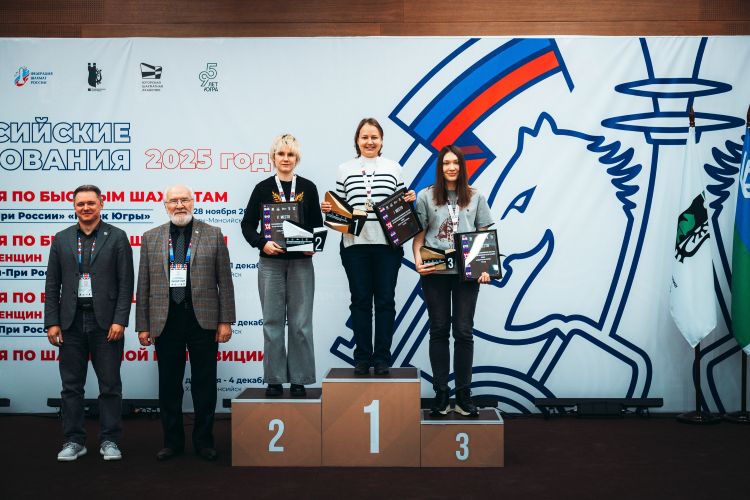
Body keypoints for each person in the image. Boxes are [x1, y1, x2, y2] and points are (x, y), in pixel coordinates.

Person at [136, 184, 235, 461]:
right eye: (173, 201)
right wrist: (143, 324)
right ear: (165, 205)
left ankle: (204, 442)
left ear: (193, 201)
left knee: (205, 384)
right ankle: (172, 442)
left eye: (184, 200)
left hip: (203, 320)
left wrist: (225, 320)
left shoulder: (213, 234)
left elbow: (225, 281)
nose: (179, 205)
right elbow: (143, 284)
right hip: (165, 320)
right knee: (169, 385)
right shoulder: (151, 237)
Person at [44, 184, 134, 461]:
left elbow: (125, 283)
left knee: (110, 385)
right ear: (74, 207)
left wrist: (120, 320)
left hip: (105, 324)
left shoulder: (117, 237)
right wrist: (52, 322)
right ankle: (74, 440)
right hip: (70, 323)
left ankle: (110, 440)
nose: (86, 208)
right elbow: (52, 284)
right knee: (71, 386)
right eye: (80, 204)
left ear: (101, 204)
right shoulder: (61, 239)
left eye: (91, 203)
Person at [321, 118, 416, 375]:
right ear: (357, 140)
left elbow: (401, 204)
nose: (369, 141)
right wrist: (330, 209)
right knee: (360, 301)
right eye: (364, 137)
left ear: (382, 141)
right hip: (355, 246)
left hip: (387, 246)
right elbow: (340, 207)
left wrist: (410, 199)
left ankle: (382, 358)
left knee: (385, 302)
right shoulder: (344, 169)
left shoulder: (394, 167)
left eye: (374, 137)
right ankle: (362, 358)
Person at [412, 145, 494, 417]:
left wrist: (484, 266)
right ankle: (441, 394)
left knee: (463, 332)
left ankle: (463, 395)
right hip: (435, 273)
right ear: (440, 167)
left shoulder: (475, 196)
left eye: (455, 163)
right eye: (446, 163)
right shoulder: (426, 196)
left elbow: (484, 234)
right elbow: (419, 237)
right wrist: (417, 260)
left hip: (466, 275)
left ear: (462, 166)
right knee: (438, 330)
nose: (451, 167)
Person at [240, 134, 322, 397]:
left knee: (301, 324)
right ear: (273, 157)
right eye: (281, 154)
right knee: (272, 322)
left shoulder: (308, 187)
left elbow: (317, 225)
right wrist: (261, 243)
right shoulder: (262, 188)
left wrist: (313, 245)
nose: (286, 159)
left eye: (290, 154)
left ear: (297, 158)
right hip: (271, 264)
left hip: (301, 264)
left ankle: (299, 379)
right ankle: (274, 379)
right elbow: (247, 225)